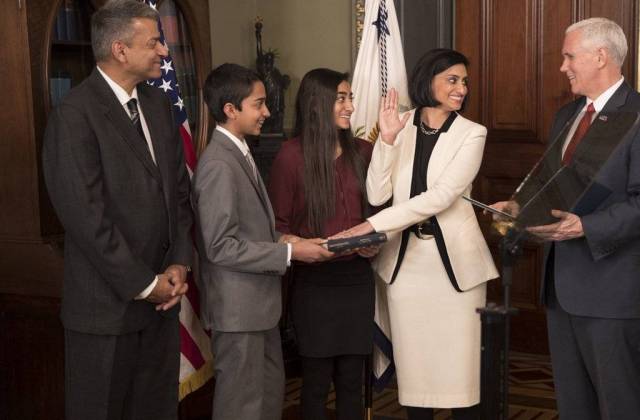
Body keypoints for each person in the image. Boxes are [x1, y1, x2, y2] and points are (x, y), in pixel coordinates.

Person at [491, 18, 640, 420]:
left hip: (613, 290)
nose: (563, 66)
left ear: (600, 56)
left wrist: (585, 226)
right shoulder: (567, 116)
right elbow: (557, 185)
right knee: (574, 406)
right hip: (562, 288)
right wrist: (522, 207)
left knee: (619, 406)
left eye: (569, 56)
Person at [42, 1, 193, 419]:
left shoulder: (159, 107)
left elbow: (179, 194)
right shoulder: (74, 115)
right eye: (154, 42)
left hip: (163, 308)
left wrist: (179, 264)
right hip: (105, 313)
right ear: (120, 49)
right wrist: (146, 284)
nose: (164, 52)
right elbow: (86, 217)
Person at [342, 49, 499, 419]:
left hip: (456, 269)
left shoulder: (473, 133)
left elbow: (441, 197)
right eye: (452, 79)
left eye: (464, 81)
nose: (461, 88)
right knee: (415, 375)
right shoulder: (399, 124)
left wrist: (373, 226)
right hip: (405, 267)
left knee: (462, 376)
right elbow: (376, 193)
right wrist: (388, 141)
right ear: (428, 80)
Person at [193, 63, 333, 420]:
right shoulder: (219, 165)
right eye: (258, 104)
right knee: (241, 408)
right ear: (230, 109)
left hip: (259, 309)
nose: (268, 113)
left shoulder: (240, 151)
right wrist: (288, 251)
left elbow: (248, 230)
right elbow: (220, 245)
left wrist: (285, 238)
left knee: (267, 401)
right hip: (239, 313)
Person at [269, 68, 377, 419]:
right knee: (314, 384)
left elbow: (380, 215)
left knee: (351, 382)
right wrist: (301, 245)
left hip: (358, 281)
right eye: (341, 98)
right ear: (318, 104)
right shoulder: (290, 156)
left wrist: (373, 243)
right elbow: (277, 227)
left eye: (350, 98)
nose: (349, 106)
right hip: (313, 285)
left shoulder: (365, 151)